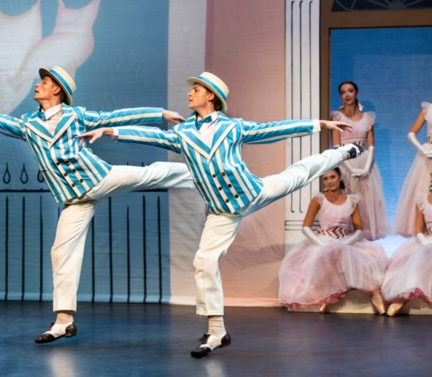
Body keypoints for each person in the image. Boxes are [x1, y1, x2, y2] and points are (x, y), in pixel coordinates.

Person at [77, 71, 363, 358]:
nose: (190, 93)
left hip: (252, 192)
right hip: (222, 211)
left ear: (210, 96)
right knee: (204, 261)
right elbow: (154, 136)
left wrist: (318, 124)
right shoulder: (183, 134)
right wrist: (111, 131)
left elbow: (272, 129)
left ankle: (344, 152)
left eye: (197, 89)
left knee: (298, 173)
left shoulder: (233, 127)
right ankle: (216, 331)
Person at [0, 66, 195, 344]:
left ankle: (201, 173)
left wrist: (159, 113)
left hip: (98, 178)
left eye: (44, 82)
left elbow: (114, 117)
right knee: (61, 253)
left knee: (150, 174)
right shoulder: (29, 124)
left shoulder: (75, 116)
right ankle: (64, 321)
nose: (37, 85)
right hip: (74, 198)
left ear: (57, 90)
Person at [278, 168, 387, 314]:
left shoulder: (351, 201)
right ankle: (326, 296)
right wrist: (322, 243)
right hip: (324, 239)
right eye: (326, 179)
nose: (329, 181)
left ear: (340, 177)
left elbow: (359, 229)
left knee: (371, 255)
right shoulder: (319, 199)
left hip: (344, 239)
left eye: (332, 177)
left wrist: (345, 244)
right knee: (326, 255)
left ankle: (374, 294)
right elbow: (305, 227)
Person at [331, 81, 390, 240]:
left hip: (365, 163)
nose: (347, 95)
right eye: (343, 92)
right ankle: (347, 236)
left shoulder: (367, 118)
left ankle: (365, 238)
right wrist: (350, 169)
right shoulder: (337, 117)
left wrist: (365, 168)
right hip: (345, 162)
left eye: (350, 91)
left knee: (365, 201)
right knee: (348, 199)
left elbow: (371, 146)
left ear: (356, 93)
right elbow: (336, 146)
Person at [383, 183, 432, 316]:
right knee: (422, 254)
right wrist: (425, 242)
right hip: (428, 240)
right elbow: (418, 230)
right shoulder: (423, 200)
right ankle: (402, 297)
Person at [394, 102, 432, 237]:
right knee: (424, 190)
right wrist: (423, 150)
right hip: (429, 154)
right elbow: (411, 133)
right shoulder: (428, 109)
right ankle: (422, 230)